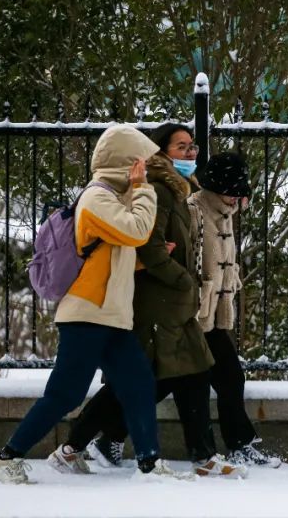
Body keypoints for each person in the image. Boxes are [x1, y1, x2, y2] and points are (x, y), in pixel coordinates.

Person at [0, 124, 167, 485]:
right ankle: (7, 457)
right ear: (126, 161)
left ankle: (149, 464)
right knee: (66, 393)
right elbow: (136, 231)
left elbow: (115, 252)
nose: (144, 170)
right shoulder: (96, 198)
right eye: (140, 163)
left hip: (110, 315)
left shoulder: (113, 198)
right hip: (87, 313)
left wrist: (142, 259)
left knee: (139, 384)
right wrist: (143, 189)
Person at [61, 123, 245, 478]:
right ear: (160, 153)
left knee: (182, 373)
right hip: (159, 299)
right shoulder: (159, 191)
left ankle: (199, 456)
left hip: (173, 300)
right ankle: (75, 445)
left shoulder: (176, 189)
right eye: (181, 147)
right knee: (155, 377)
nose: (191, 153)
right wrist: (185, 282)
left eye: (192, 147)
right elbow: (150, 245)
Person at [189, 152, 280, 467]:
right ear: (216, 188)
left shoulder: (223, 213)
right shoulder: (195, 210)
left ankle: (239, 443)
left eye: (241, 194)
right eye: (233, 192)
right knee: (215, 379)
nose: (238, 200)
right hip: (195, 315)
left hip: (212, 315)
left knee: (227, 377)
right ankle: (101, 437)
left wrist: (232, 278)